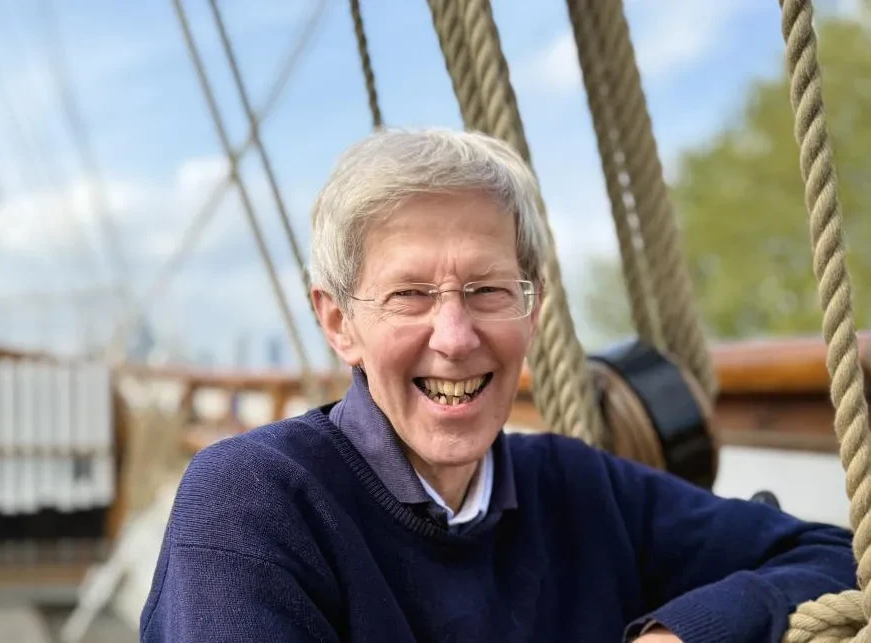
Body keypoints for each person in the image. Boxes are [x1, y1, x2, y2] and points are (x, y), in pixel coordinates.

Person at [139, 128, 856, 642]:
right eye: (411, 294)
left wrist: (683, 631)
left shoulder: (582, 490)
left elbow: (837, 555)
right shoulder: (252, 501)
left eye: (486, 289)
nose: (454, 337)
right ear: (338, 322)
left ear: (532, 307)